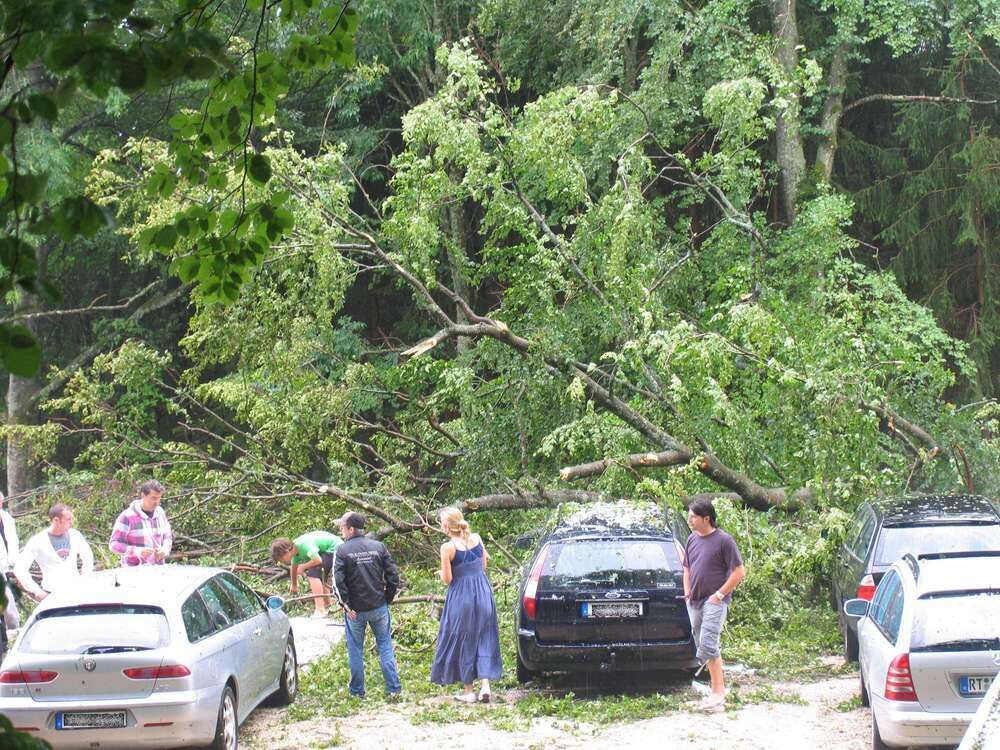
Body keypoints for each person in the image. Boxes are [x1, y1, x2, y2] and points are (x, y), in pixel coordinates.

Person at [430, 507, 502, 703]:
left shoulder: (448, 548)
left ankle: (469, 690)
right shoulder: (477, 538)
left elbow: (448, 579)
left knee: (464, 640)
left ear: (446, 526)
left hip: (463, 597)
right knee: (484, 636)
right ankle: (485, 686)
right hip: (483, 593)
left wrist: (441, 572)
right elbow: (483, 565)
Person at [683, 498, 746, 713]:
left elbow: (739, 572)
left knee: (708, 644)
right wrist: (687, 591)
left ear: (706, 518)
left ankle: (710, 687)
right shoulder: (692, 539)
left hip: (714, 601)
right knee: (708, 645)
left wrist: (719, 595)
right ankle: (717, 691)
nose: (689, 519)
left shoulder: (724, 540)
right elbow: (687, 569)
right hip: (695, 601)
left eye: (693, 516)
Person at [333, 512, 402, 698]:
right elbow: (393, 576)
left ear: (351, 529)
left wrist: (346, 605)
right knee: (385, 646)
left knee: (356, 649)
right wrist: (388, 598)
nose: (341, 530)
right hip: (379, 606)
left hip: (355, 610)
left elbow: (338, 581)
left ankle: (357, 692)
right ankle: (393, 689)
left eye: (342, 527)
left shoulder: (342, 551)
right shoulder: (378, 546)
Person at [14, 503, 95, 601]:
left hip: (76, 591)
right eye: (68, 519)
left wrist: (85, 578)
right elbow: (19, 568)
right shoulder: (38, 541)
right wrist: (37, 591)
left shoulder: (75, 535)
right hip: (52, 594)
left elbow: (88, 556)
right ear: (56, 520)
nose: (71, 522)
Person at [270, 530, 342, 618]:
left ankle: (320, 609)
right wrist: (294, 585)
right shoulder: (294, 552)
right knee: (319, 574)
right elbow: (294, 568)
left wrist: (303, 567)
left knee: (312, 574)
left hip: (336, 549)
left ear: (286, 551)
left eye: (281, 559)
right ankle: (327, 603)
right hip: (326, 551)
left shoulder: (303, 545)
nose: (282, 562)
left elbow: (318, 560)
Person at [109, 480, 172, 566]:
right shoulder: (127, 516)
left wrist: (165, 549)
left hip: (159, 570)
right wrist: (137, 551)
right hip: (134, 572)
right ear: (143, 495)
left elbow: (167, 537)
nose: (157, 502)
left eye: (159, 498)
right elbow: (113, 545)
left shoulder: (160, 513)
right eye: (153, 498)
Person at [0, 491, 21, 645]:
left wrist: (13, 565)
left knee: (10, 609)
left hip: (7, 566)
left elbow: (13, 542)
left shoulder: (7, 518)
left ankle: (12, 639)